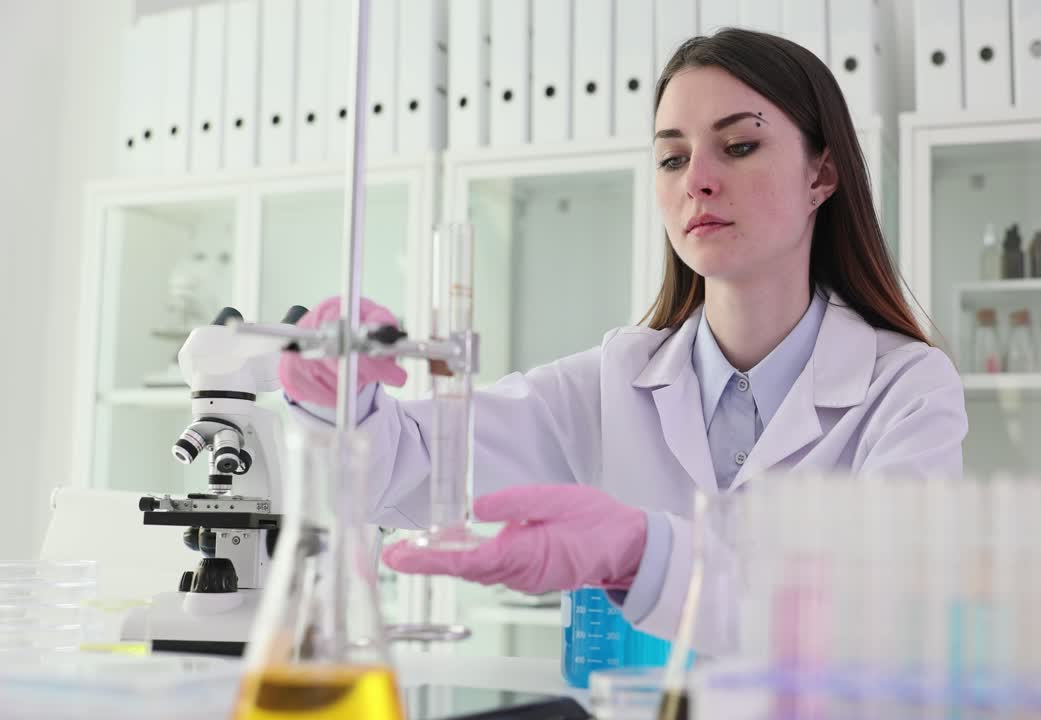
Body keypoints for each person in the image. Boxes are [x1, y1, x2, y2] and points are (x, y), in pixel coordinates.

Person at [279, 28, 967, 651]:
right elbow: (410, 467)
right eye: (672, 158)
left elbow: (887, 613)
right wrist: (334, 397)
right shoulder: (612, 382)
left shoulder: (904, 388)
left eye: (739, 145)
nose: (698, 179)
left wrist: (646, 554)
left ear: (821, 173)